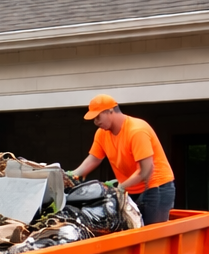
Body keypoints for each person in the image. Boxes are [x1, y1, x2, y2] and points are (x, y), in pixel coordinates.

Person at [69, 94, 177, 225]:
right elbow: (94, 159)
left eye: (98, 117)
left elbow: (146, 170)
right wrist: (71, 175)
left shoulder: (136, 131)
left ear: (110, 111)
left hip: (156, 186)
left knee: (150, 234)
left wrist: (121, 187)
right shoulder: (102, 133)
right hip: (130, 189)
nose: (96, 122)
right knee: (129, 230)